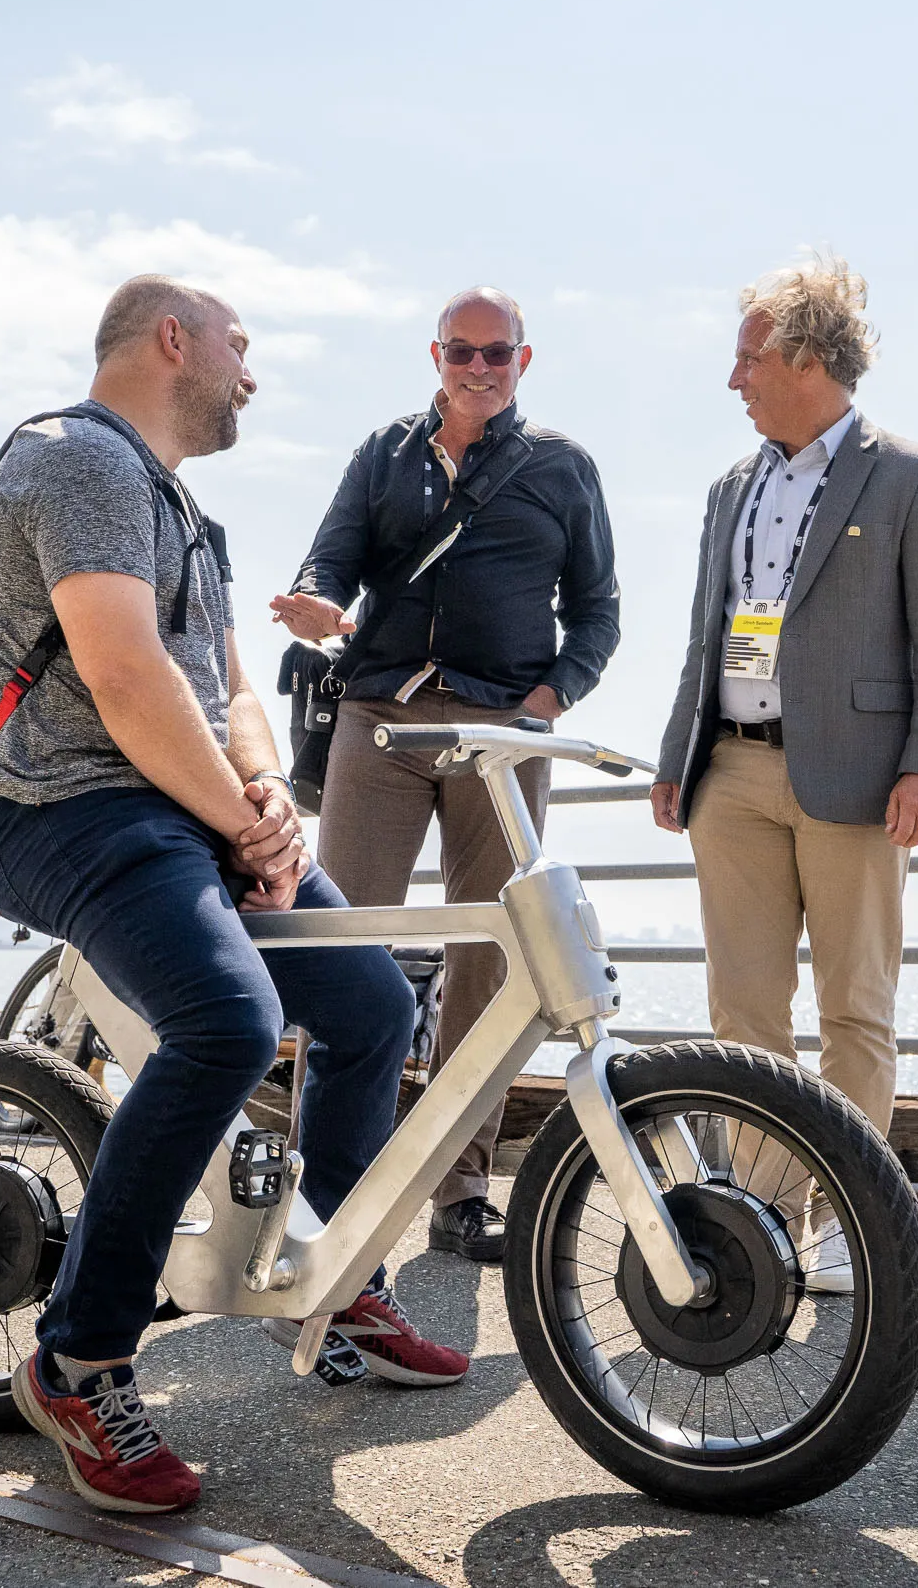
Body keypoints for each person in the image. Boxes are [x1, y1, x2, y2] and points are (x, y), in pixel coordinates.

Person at [0, 274, 468, 1516]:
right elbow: (126, 677)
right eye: (240, 347)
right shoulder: (72, 459)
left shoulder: (185, 508)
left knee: (368, 1005)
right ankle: (80, 1357)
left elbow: (229, 687)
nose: (253, 373)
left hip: (185, 811)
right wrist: (236, 815)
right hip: (72, 807)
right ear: (171, 339)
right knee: (228, 1023)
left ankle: (338, 1277)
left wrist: (266, 797)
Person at [269, 287, 619, 1264]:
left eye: (495, 353)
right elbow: (330, 556)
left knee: (493, 954)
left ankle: (462, 1186)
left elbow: (598, 613)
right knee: (343, 940)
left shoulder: (561, 467)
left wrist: (543, 706)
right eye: (461, 352)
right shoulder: (383, 452)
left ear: (523, 360)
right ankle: (326, 1182)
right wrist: (313, 603)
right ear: (434, 355)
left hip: (498, 732)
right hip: (378, 721)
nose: (478, 368)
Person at [650, 256, 918, 1145]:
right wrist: (679, 756)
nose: (733, 378)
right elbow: (706, 637)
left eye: (749, 358)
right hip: (731, 781)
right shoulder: (731, 489)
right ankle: (764, 1224)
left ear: (804, 358)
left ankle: (845, 1229)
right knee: (743, 1025)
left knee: (854, 1017)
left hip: (863, 782)